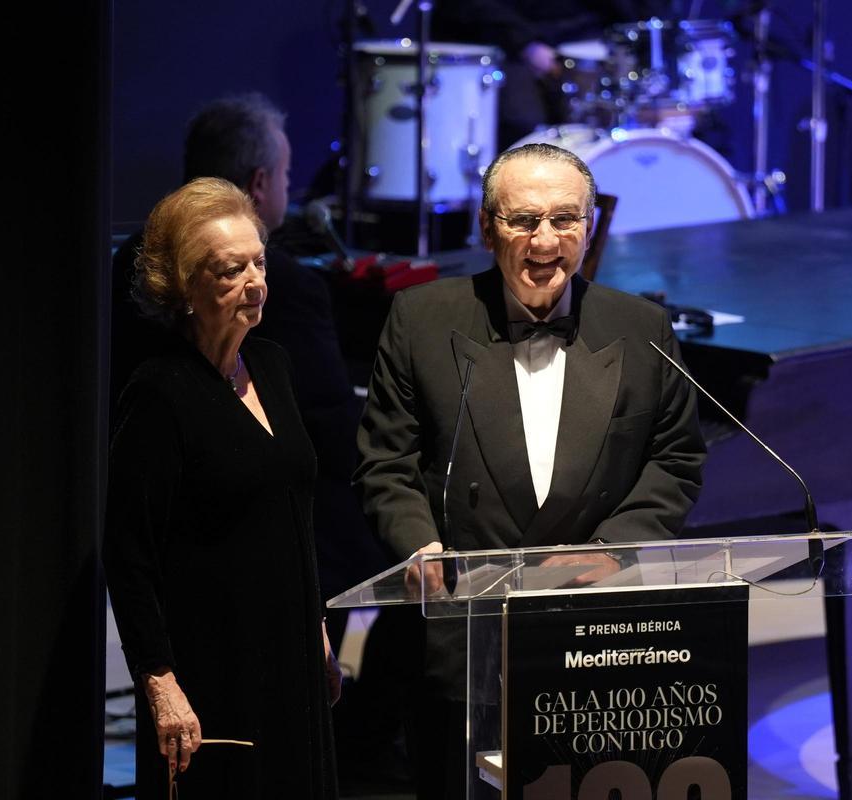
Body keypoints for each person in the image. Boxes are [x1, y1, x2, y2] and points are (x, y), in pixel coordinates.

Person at [353, 142, 706, 798]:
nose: (545, 240)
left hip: (592, 631)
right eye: (523, 221)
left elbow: (676, 457)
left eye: (565, 220)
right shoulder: (423, 319)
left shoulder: (643, 327)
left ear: (591, 227)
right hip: (459, 635)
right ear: (489, 229)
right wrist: (420, 546)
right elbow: (386, 460)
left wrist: (612, 552)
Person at [111, 93, 385, 652]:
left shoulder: (130, 260)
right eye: (286, 174)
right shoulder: (287, 291)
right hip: (247, 546)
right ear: (260, 182)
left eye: (257, 263)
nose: (254, 283)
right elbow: (332, 430)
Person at [104, 178, 340, 799]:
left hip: (289, 659)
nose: (256, 283)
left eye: (259, 261)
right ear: (184, 288)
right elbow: (129, 557)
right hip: (213, 668)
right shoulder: (159, 394)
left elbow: (293, 511)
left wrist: (315, 628)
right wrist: (160, 684)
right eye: (232, 270)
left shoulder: (274, 365)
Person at [433, 1, 671, 147]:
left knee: (646, 114)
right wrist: (527, 45)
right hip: (508, 43)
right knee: (524, 121)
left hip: (593, 41)